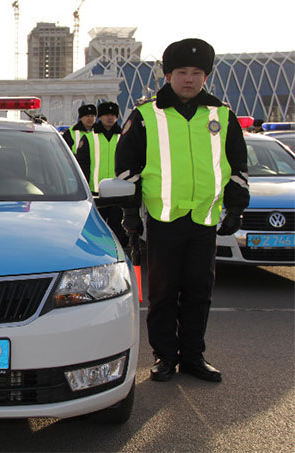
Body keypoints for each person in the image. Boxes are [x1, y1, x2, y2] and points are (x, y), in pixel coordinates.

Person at [115, 38, 250, 383]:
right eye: (181, 72)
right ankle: (165, 356)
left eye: (197, 73)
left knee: (198, 292)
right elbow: (127, 168)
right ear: (168, 74)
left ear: (205, 76)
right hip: (163, 221)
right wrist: (131, 214)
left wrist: (235, 207)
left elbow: (237, 166)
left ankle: (193, 356)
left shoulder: (222, 115)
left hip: (204, 220)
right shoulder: (147, 114)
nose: (189, 79)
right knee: (162, 293)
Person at [75, 101, 127, 245]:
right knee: (96, 231)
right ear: (100, 117)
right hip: (96, 193)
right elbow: (82, 165)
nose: (110, 118)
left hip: (119, 194)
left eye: (113, 115)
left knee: (118, 230)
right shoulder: (90, 138)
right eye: (106, 115)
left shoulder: (123, 138)